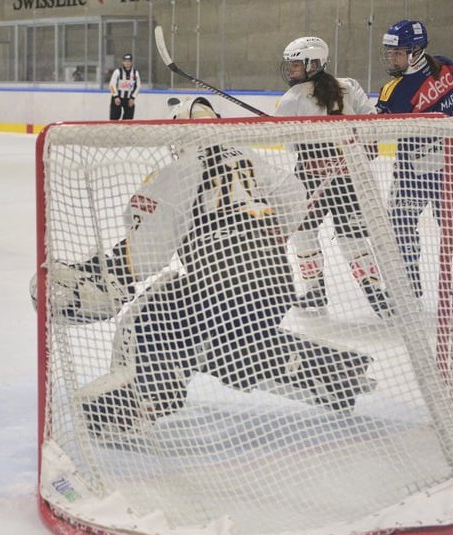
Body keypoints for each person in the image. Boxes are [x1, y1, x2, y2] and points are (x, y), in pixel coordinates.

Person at [32, 97, 376, 441]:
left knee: (151, 317)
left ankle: (133, 410)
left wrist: (109, 278)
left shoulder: (178, 171)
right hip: (274, 280)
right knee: (228, 346)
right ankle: (336, 374)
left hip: (221, 279)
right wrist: (265, 238)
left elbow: (147, 252)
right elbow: (294, 194)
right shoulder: (249, 158)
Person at [274, 36, 390, 318]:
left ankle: (315, 288)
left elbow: (290, 145)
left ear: (314, 64)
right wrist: (362, 146)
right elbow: (371, 123)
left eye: (296, 66)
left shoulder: (292, 98)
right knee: (353, 238)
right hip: (350, 175)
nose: (291, 71)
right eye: (290, 66)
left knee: (304, 234)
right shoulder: (349, 86)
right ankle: (374, 291)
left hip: (311, 177)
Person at [375, 19, 453, 299]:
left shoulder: (394, 90)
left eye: (398, 52)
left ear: (415, 51)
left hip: (416, 169)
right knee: (452, 222)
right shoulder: (446, 65)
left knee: (405, 221)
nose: (392, 58)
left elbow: (375, 128)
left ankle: (409, 283)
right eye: (390, 52)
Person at [108, 53, 140, 120]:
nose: (127, 63)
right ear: (122, 62)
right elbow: (112, 85)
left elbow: (138, 86)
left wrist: (132, 98)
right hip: (118, 98)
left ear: (131, 62)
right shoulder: (117, 72)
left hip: (129, 99)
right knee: (114, 120)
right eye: (125, 61)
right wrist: (116, 96)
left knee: (128, 121)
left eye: (129, 61)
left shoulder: (135, 73)